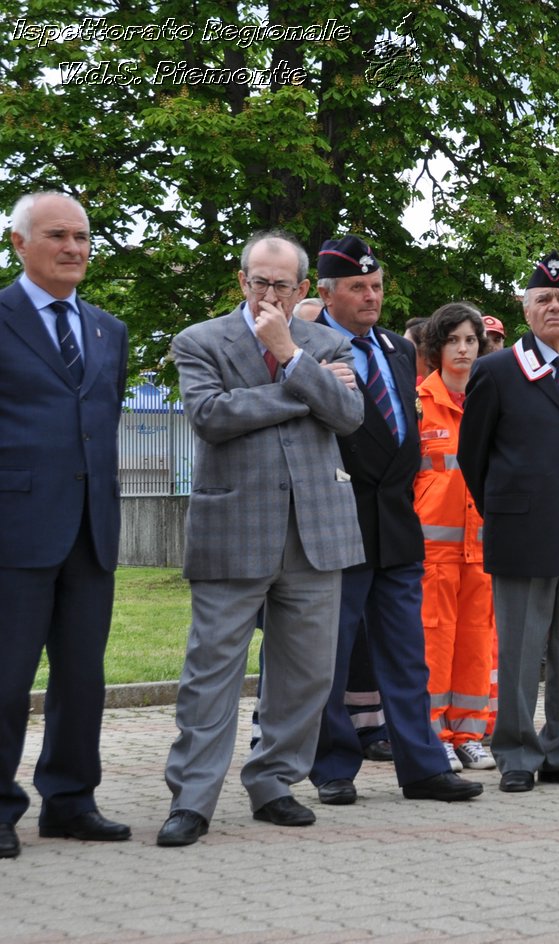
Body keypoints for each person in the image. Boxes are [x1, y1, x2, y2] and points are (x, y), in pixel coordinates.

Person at [158, 231, 365, 847]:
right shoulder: (199, 341)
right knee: (211, 671)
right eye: (258, 281)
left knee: (304, 674)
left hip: (316, 532)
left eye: (280, 284)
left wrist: (292, 356)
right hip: (234, 529)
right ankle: (192, 799)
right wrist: (305, 390)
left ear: (303, 288)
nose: (268, 294)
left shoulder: (329, 342)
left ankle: (274, 781)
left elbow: (351, 417)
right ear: (241, 281)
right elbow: (212, 416)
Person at [307, 235, 482, 806]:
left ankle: (423, 766)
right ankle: (333, 765)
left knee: (408, 654)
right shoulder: (308, 348)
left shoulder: (398, 349)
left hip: (398, 523)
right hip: (340, 519)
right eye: (358, 287)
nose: (371, 297)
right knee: (332, 656)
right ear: (327, 293)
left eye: (377, 286)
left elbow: (404, 430)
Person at [458, 254, 559, 792]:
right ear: (526, 311)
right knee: (522, 651)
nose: (555, 307)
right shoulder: (495, 371)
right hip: (523, 531)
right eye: (544, 300)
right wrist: (507, 511)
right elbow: (472, 457)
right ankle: (517, 755)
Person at [0, 192, 131, 859]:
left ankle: (71, 800)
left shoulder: (108, 329)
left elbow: (100, 423)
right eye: (58, 235)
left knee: (83, 676)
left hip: (91, 528)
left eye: (82, 236)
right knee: (6, 676)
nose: (75, 248)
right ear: (18, 242)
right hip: (15, 528)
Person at [414, 302, 497, 769]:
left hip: (481, 547)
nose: (463, 349)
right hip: (432, 550)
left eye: (470, 340)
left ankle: (469, 732)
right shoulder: (418, 404)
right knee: (434, 641)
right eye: (453, 341)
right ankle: (434, 734)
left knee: (475, 641)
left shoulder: (489, 400)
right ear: (436, 348)